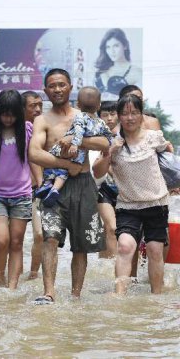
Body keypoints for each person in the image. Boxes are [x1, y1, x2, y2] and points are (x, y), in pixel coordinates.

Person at [29, 68, 109, 304]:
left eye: (61, 84)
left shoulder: (82, 115)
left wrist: (77, 140)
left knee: (81, 245)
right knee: (50, 237)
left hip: (84, 184)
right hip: (54, 184)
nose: (57, 89)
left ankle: (75, 295)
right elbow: (34, 153)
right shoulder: (42, 120)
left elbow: (105, 141)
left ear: (70, 87)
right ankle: (49, 292)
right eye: (52, 86)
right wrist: (66, 164)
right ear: (45, 91)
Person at [92, 94, 171, 294]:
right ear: (119, 116)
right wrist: (110, 152)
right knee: (125, 246)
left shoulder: (154, 137)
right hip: (128, 206)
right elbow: (97, 172)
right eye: (125, 113)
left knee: (154, 250)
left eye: (134, 112)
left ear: (141, 115)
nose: (130, 117)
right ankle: (119, 295)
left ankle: (157, 296)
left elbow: (168, 152)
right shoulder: (112, 142)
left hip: (156, 204)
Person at [0, 89, 37, 289]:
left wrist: (40, 182)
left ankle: (11, 287)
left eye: (12, 114)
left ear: (19, 113)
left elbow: (34, 158)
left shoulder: (28, 130)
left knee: (17, 242)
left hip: (22, 195)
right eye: (4, 114)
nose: (8, 119)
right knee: (1, 240)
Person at [34, 87, 112, 208]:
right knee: (66, 168)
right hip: (80, 155)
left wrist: (74, 142)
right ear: (99, 105)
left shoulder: (80, 116)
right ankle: (53, 188)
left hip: (71, 149)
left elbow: (79, 130)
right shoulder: (100, 122)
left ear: (78, 104)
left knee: (55, 159)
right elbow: (108, 137)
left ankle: (51, 185)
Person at [21, 91, 44, 280]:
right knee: (13, 239)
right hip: (17, 190)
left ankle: (33, 275)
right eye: (32, 106)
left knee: (40, 234)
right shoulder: (16, 130)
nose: (37, 109)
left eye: (40, 105)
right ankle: (11, 276)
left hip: (39, 189)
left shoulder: (45, 126)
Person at [93, 101, 120, 258]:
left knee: (119, 230)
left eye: (112, 114)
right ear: (99, 117)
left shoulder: (126, 135)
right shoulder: (95, 137)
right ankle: (113, 267)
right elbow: (95, 163)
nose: (109, 118)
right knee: (111, 227)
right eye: (105, 115)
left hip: (126, 189)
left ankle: (103, 262)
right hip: (102, 187)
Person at [94, 28, 141, 100]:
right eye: (108, 47)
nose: (112, 51)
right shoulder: (101, 69)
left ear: (125, 46)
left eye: (116, 46)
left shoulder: (136, 71)